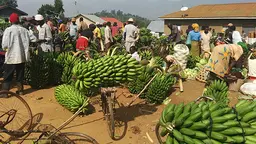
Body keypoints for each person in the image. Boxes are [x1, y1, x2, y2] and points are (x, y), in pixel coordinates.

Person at [1, 13, 30, 96]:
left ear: (10, 21)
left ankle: (4, 93)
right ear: (18, 21)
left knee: (8, 75)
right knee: (20, 75)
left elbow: (4, 45)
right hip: (21, 57)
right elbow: (33, 38)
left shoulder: (8, 30)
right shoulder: (24, 30)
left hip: (11, 57)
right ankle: (20, 91)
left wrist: (5, 49)